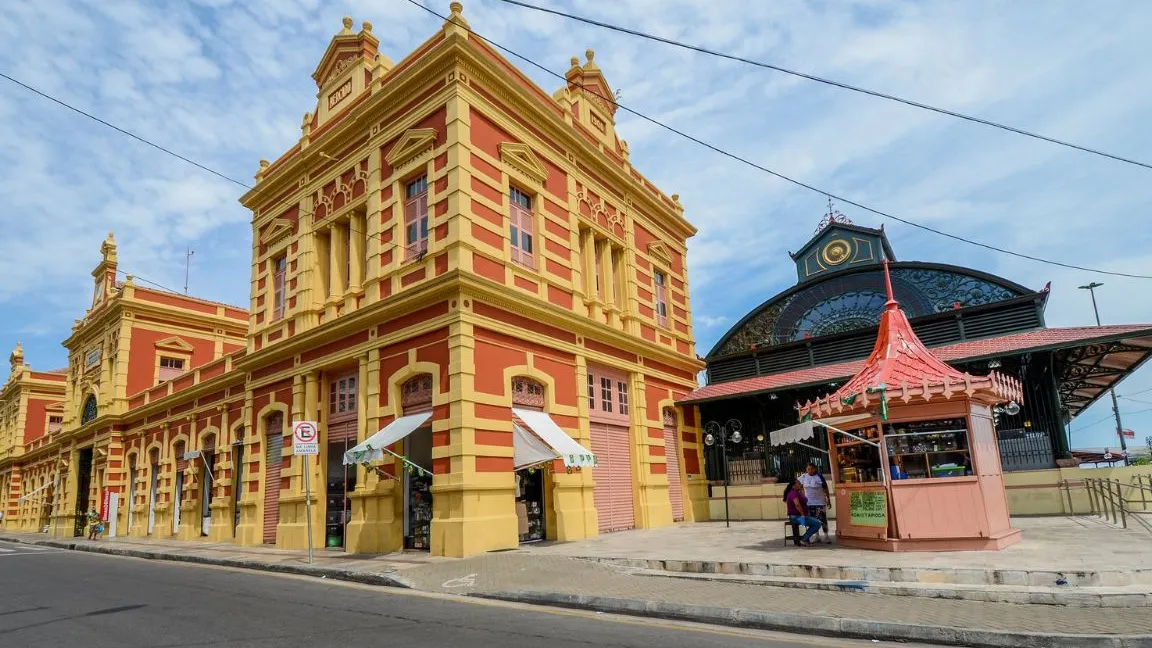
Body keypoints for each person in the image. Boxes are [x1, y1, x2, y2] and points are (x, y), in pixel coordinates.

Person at [797, 463, 832, 544]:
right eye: (808, 469)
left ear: (815, 469)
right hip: (809, 503)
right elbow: (797, 485)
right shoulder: (804, 477)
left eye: (812, 469)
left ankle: (826, 536)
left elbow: (825, 488)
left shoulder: (819, 476)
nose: (810, 471)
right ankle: (817, 536)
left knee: (822, 519)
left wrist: (828, 499)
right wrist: (801, 494)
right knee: (813, 520)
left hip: (820, 502)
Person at [783, 479, 823, 546]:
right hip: (796, 517)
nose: (800, 484)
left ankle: (805, 539)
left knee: (817, 522)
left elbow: (805, 500)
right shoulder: (793, 493)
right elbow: (797, 505)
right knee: (817, 524)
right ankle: (804, 539)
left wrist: (801, 491)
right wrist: (803, 516)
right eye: (798, 483)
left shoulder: (797, 492)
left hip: (800, 515)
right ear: (793, 486)